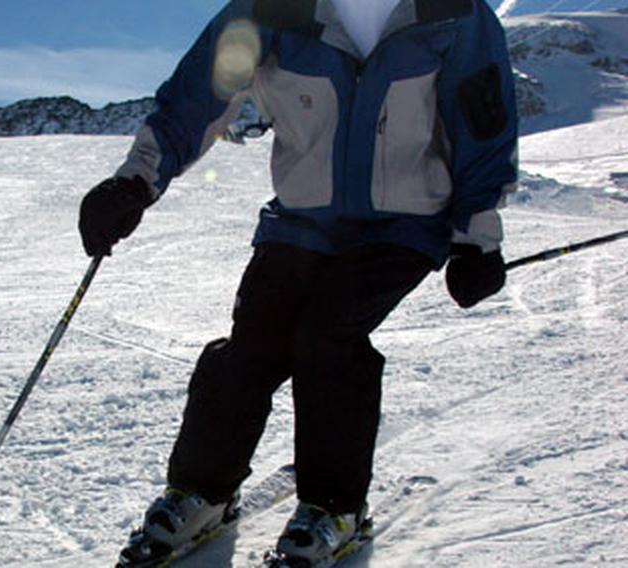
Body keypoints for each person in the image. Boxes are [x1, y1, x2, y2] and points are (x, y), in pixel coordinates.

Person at [78, 0, 518, 565]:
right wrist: (134, 183)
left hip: (404, 224)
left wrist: (477, 236)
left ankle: (335, 507)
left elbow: (484, 127)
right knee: (251, 345)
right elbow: (195, 98)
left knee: (328, 334)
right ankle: (203, 493)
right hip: (301, 222)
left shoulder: (451, 14)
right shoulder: (272, 9)